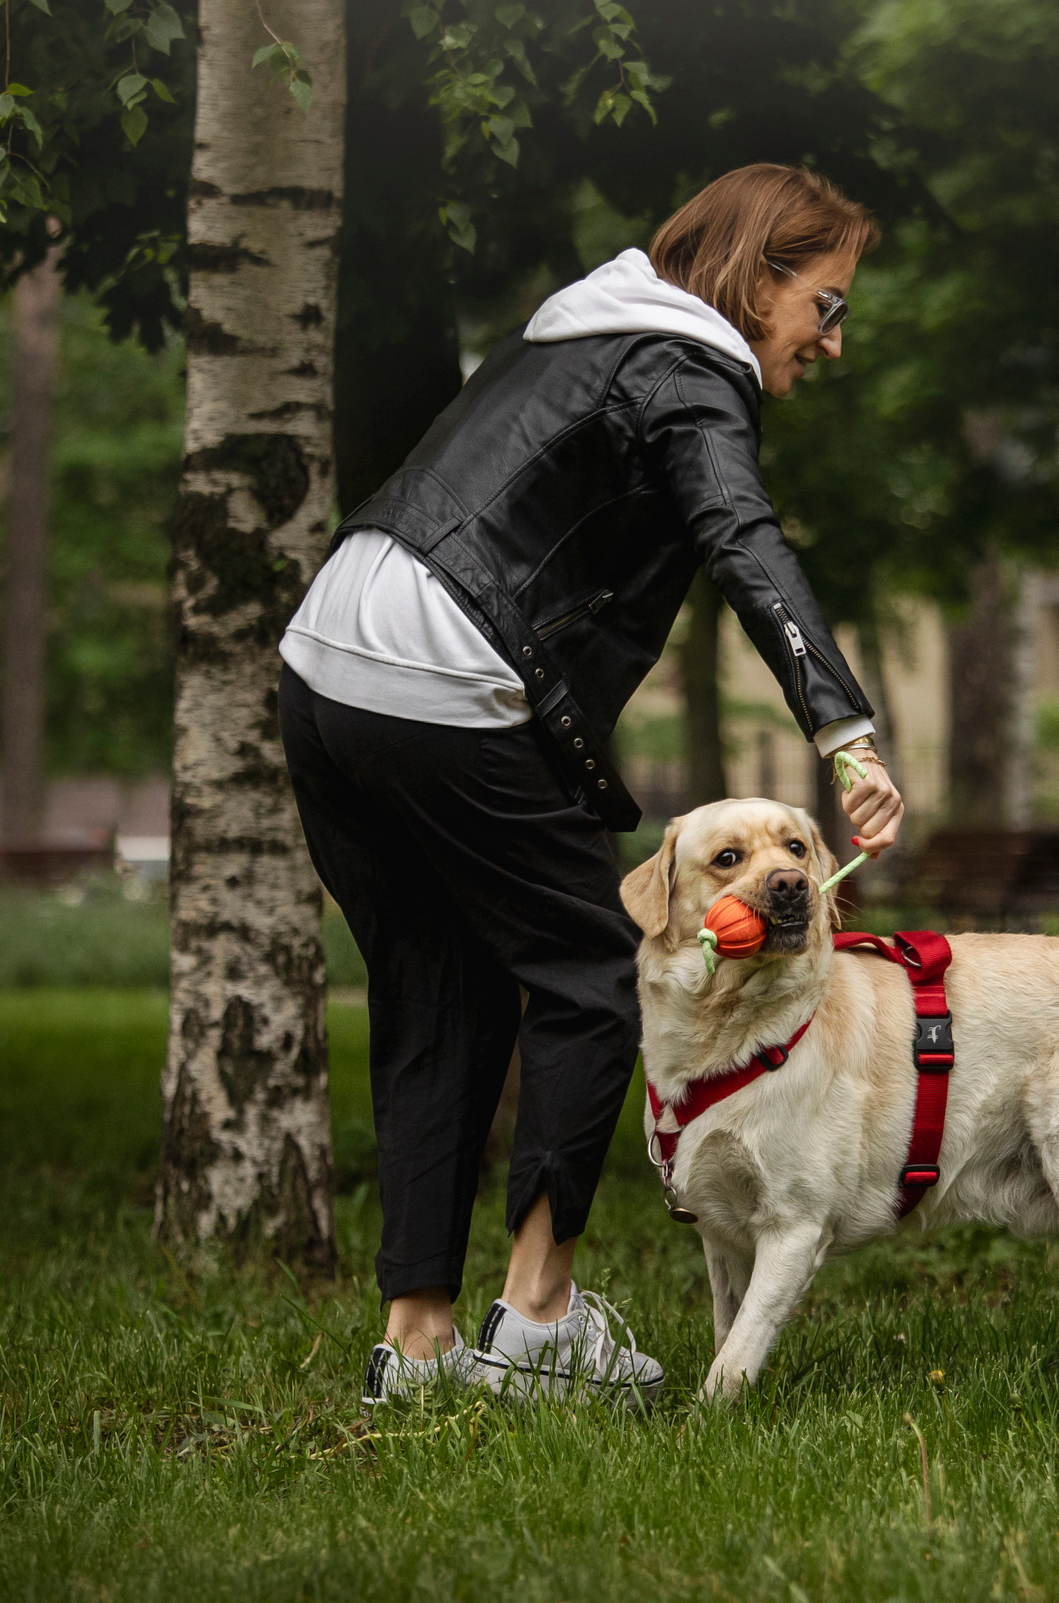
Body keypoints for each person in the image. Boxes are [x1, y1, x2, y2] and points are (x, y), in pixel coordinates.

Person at [279, 164, 907, 1407]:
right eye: (826, 305)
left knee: (435, 982)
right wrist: (842, 729)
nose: (833, 342)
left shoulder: (575, 337)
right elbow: (742, 537)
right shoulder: (689, 365)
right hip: (436, 674)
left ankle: (415, 1349)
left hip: (323, 671)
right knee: (603, 962)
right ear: (755, 274)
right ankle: (542, 1320)